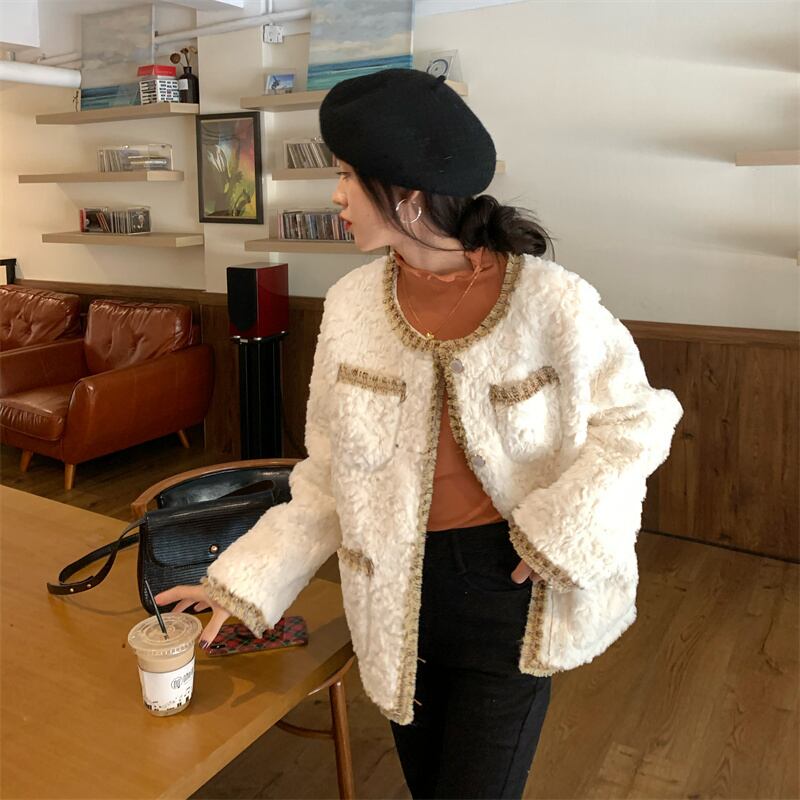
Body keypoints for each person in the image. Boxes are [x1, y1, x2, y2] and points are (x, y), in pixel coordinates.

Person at [156, 68, 684, 799]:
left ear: (406, 195)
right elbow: (328, 474)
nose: (336, 196)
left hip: (509, 585)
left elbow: (639, 420)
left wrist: (561, 533)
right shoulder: (350, 307)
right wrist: (241, 585)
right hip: (390, 592)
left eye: (347, 176)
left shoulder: (552, 303)